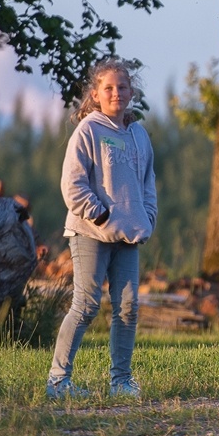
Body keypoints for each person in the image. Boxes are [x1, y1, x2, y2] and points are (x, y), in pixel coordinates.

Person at [46, 58, 157, 399]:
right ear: (95, 94)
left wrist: (147, 215)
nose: (116, 93)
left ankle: (121, 382)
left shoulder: (138, 134)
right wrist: (98, 214)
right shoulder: (89, 131)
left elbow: (148, 181)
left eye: (122, 87)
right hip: (91, 232)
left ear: (131, 92)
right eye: (108, 88)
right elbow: (72, 184)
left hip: (129, 234)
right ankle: (58, 383)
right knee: (86, 304)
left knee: (127, 307)